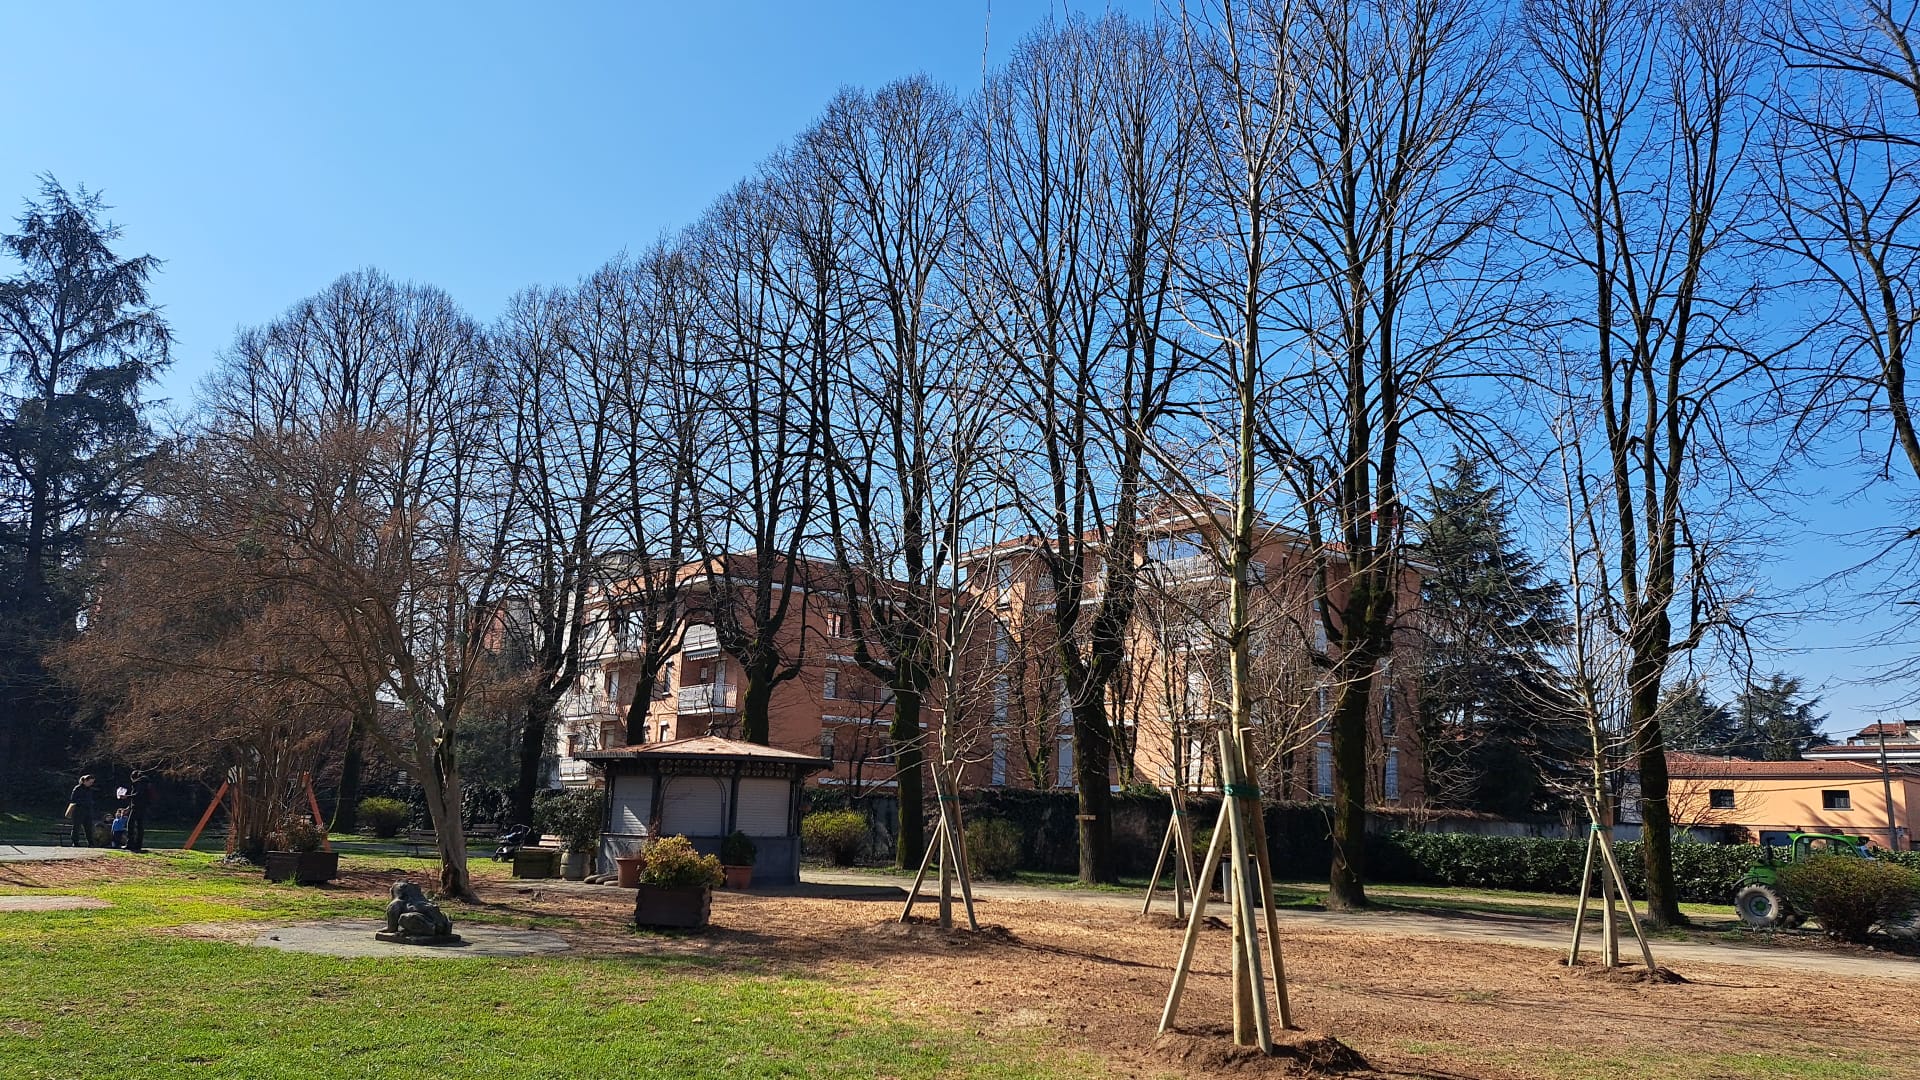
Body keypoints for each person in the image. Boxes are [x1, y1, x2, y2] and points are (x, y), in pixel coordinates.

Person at [122, 770, 152, 853]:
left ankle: (130, 843)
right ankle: (138, 844)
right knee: (140, 826)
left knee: (130, 824)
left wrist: (126, 796)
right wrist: (129, 807)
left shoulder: (138, 784)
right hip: (144, 807)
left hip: (137, 807)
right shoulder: (146, 783)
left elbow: (137, 795)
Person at [65, 775, 98, 847]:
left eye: (92, 782)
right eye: (90, 782)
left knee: (88, 828)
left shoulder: (89, 789)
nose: (91, 784)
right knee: (76, 827)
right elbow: (73, 799)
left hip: (88, 811)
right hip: (78, 810)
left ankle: (91, 843)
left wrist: (91, 803)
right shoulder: (77, 788)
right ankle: (75, 842)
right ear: (85, 781)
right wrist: (84, 802)